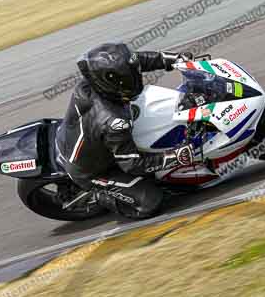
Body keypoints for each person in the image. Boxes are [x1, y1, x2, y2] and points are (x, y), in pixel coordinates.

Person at [55, 43, 195, 219]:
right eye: (128, 78)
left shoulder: (91, 82)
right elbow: (132, 165)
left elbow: (133, 62)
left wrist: (172, 59)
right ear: (112, 82)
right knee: (150, 201)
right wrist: (175, 157)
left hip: (77, 137)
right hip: (94, 170)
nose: (135, 77)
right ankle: (97, 195)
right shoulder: (114, 121)